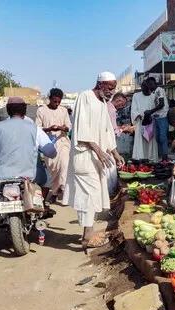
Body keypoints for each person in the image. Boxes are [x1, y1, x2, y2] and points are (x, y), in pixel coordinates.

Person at [0, 97, 57, 251]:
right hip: (27, 177)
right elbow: (50, 151)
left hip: (1, 176)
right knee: (43, 183)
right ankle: (39, 211)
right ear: (24, 111)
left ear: (8, 111)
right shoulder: (34, 128)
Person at [64, 72, 124, 251]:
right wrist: (97, 150)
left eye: (114, 88)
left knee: (94, 195)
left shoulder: (103, 103)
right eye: (109, 88)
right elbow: (81, 129)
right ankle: (87, 236)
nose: (112, 92)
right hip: (84, 157)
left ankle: (88, 233)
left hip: (97, 159)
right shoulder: (85, 97)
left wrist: (114, 152)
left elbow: (106, 131)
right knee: (87, 196)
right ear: (100, 84)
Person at [36, 88, 72, 204]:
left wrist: (62, 128)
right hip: (48, 143)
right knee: (53, 169)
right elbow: (37, 128)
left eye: (59, 102)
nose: (57, 104)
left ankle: (60, 192)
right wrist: (49, 128)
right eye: (54, 101)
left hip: (62, 141)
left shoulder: (63, 111)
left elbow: (68, 127)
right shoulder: (41, 110)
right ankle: (55, 191)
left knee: (64, 165)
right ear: (50, 99)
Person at [130, 78, 158, 161]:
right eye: (143, 87)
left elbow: (157, 110)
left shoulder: (154, 96)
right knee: (140, 143)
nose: (144, 89)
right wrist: (140, 116)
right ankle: (140, 160)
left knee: (151, 143)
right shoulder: (136, 96)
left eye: (146, 87)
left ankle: (152, 161)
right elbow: (134, 110)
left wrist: (150, 116)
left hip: (151, 123)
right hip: (140, 123)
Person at [147, 77, 170, 161]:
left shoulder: (159, 90)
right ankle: (161, 157)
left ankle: (165, 157)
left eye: (151, 84)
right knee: (157, 138)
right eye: (148, 84)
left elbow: (161, 104)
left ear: (155, 83)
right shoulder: (153, 93)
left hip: (163, 117)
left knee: (162, 137)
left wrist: (150, 111)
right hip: (156, 118)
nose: (150, 86)